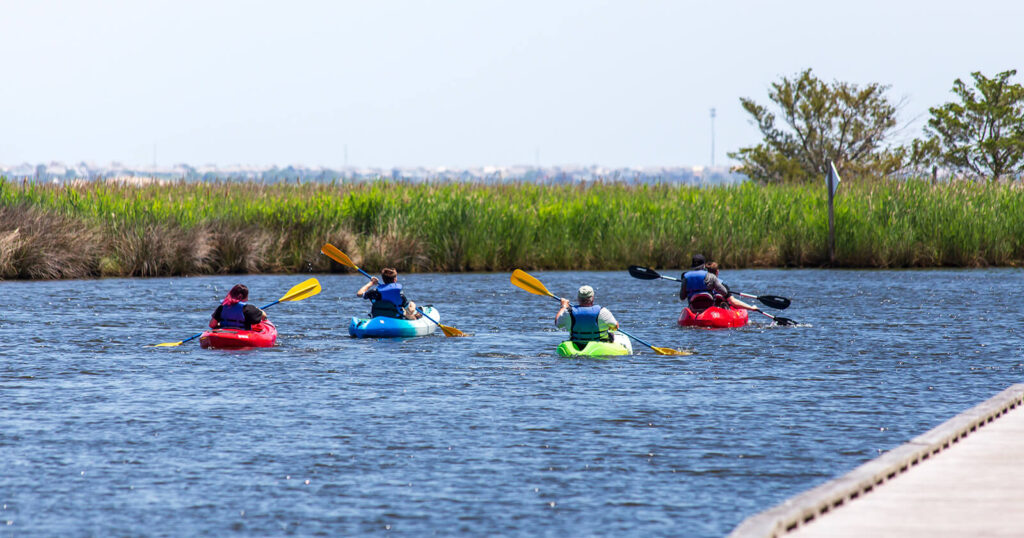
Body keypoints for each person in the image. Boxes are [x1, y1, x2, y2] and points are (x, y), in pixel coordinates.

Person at [356, 267, 421, 320]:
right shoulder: (399, 295)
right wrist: (413, 304)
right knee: (410, 308)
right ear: (395, 279)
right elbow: (410, 310)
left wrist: (371, 283)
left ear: (383, 279)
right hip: (396, 319)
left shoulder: (374, 292)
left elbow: (359, 294)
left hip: (378, 319)